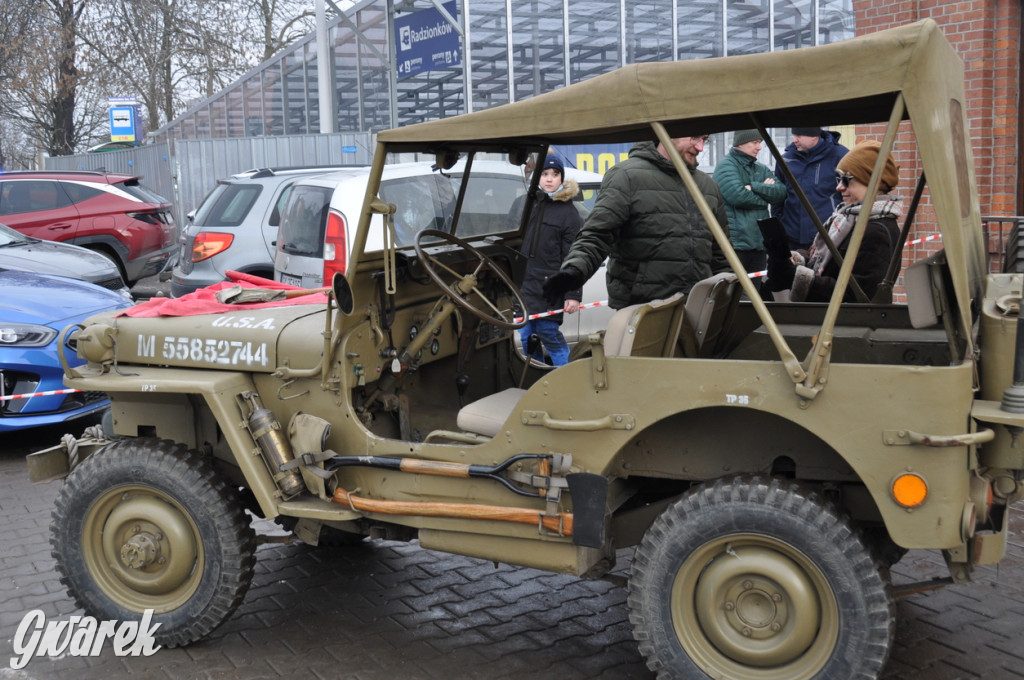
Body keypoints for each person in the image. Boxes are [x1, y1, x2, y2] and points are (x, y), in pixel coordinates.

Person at [542, 136, 730, 310]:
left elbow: (721, 256)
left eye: (705, 139)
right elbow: (597, 235)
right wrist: (574, 271)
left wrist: (728, 299)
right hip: (643, 311)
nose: (700, 147)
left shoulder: (709, 187)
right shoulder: (627, 177)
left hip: (698, 309)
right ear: (668, 132)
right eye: (694, 137)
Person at [765, 140, 901, 302]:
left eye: (847, 179)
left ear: (874, 182)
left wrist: (796, 277)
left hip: (849, 325)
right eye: (839, 179)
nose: (839, 187)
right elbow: (825, 263)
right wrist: (793, 258)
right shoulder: (847, 218)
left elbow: (858, 296)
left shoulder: (876, 231)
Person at [518, 153, 583, 366]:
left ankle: (565, 380)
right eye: (544, 173)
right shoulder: (524, 205)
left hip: (550, 288)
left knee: (549, 334)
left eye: (555, 174)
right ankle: (535, 383)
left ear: (561, 178)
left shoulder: (569, 214)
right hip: (524, 287)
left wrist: (572, 294)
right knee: (527, 338)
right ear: (536, 176)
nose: (549, 179)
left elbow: (574, 256)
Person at [712, 129, 787, 275]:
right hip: (736, 245)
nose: (759, 147)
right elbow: (738, 196)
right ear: (740, 144)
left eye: (760, 143)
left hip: (759, 245)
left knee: (755, 292)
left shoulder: (761, 168)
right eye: (755, 143)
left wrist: (754, 186)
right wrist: (765, 197)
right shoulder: (726, 166)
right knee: (736, 293)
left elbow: (780, 193)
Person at [772, 127, 849, 251]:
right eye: (793, 135)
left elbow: (851, 195)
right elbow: (778, 197)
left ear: (814, 136)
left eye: (799, 136)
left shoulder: (841, 156)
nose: (794, 140)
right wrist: (779, 227)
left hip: (829, 237)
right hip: (792, 238)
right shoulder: (786, 159)